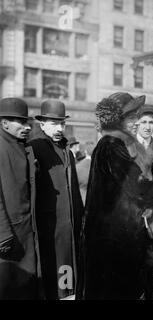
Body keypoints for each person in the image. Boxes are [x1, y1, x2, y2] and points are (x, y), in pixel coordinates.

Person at [77, 93, 153, 300]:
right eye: (131, 117)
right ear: (118, 119)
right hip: (113, 241)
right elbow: (138, 185)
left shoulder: (116, 144)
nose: (136, 122)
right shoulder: (112, 145)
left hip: (115, 237)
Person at [30, 99, 84, 300]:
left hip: (69, 228)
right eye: (53, 123)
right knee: (52, 278)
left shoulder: (67, 151)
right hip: (49, 228)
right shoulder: (34, 148)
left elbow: (75, 192)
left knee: (69, 276)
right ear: (42, 124)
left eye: (62, 123)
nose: (59, 128)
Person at [0, 98, 40, 300]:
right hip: (8, 237)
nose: (26, 127)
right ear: (4, 123)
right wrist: (3, 235)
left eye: (27, 123)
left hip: (25, 231)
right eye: (20, 122)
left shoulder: (22, 145)